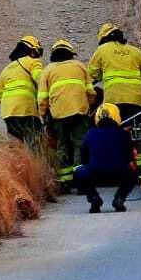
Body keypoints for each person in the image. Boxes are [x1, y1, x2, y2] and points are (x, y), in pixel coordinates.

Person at [87, 22, 141, 170]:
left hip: (114, 102)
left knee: (116, 133)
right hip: (137, 100)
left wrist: (101, 76)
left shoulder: (102, 50)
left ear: (103, 38)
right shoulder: (135, 51)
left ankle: (121, 165)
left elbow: (92, 73)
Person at [38, 38, 95, 189]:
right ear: (71, 53)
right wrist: (88, 106)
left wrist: (44, 116)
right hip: (79, 113)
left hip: (58, 116)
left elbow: (42, 99)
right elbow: (91, 91)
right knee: (80, 145)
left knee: (62, 146)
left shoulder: (47, 70)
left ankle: (65, 182)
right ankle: (81, 180)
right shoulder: (80, 66)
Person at [75, 103, 139, 213]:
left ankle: (94, 198)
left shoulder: (90, 133)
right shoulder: (124, 134)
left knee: (80, 171)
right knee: (133, 173)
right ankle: (119, 199)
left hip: (95, 174)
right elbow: (130, 158)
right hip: (119, 174)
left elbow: (84, 157)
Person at [0, 35, 44, 142]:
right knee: (37, 142)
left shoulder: (6, 69)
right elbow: (40, 78)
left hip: (8, 113)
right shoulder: (32, 62)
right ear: (32, 51)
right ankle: (36, 159)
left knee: (16, 145)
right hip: (26, 110)